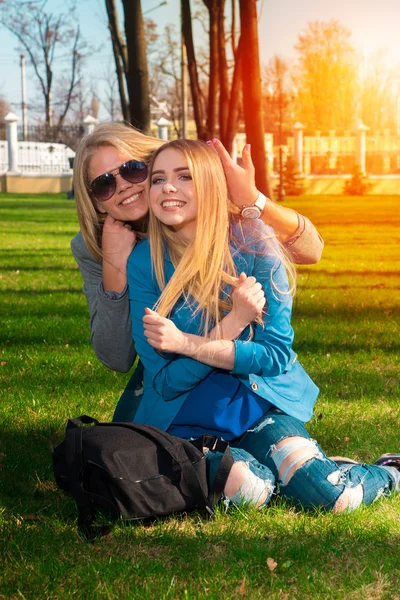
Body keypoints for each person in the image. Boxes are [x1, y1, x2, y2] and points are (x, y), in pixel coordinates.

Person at [125, 138, 400, 512]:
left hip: (260, 406)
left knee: (333, 498)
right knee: (250, 491)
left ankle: (389, 472)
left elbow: (273, 356)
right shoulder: (145, 261)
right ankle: (261, 474)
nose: (167, 188)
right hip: (182, 416)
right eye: (158, 179)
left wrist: (186, 344)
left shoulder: (255, 244)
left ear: (210, 183)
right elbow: (164, 382)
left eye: (184, 176)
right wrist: (234, 323)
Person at [71, 122, 324, 415]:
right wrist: (115, 264)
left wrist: (252, 200)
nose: (124, 185)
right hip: (174, 372)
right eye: (104, 183)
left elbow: (312, 250)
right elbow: (117, 358)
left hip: (245, 363)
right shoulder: (94, 247)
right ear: (96, 204)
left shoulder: (199, 192)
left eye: (132, 169)